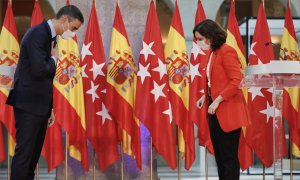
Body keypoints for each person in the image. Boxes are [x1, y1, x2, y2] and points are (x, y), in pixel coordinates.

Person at [6, 5, 84, 180]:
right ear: (65, 20)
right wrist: (54, 58)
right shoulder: (38, 34)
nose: (72, 33)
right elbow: (39, 70)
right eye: (73, 28)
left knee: (32, 157)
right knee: (25, 155)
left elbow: (46, 79)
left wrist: (50, 108)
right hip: (28, 104)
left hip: (39, 106)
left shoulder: (51, 37)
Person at [193, 19, 251, 180]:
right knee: (220, 158)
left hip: (229, 111)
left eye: (199, 39)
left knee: (228, 158)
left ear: (210, 36)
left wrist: (217, 100)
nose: (198, 43)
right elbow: (217, 81)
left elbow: (236, 80)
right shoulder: (213, 53)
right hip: (215, 112)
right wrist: (206, 97)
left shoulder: (226, 51)